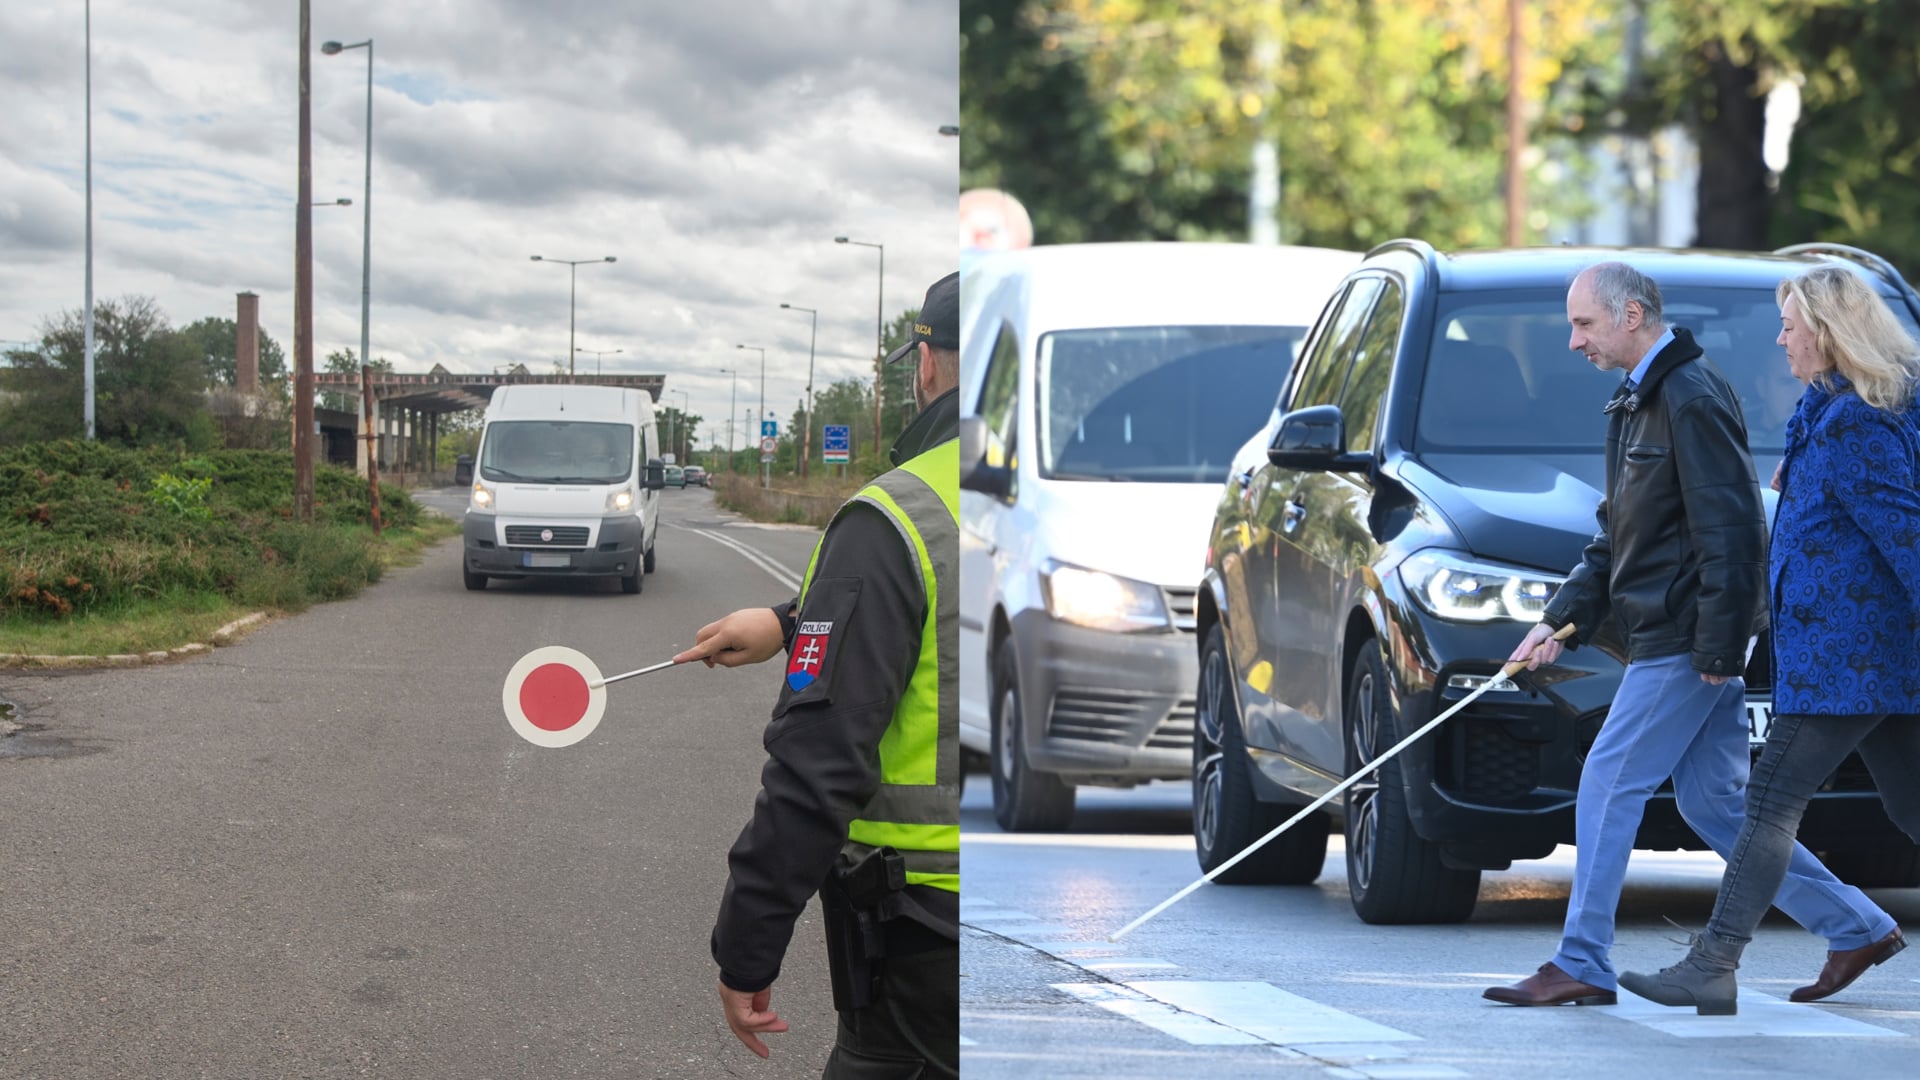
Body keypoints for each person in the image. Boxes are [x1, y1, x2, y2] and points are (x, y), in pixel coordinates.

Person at [1482, 261, 1896, 1009]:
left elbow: (1733, 528)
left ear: (1633, 315)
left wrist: (1719, 644)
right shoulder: (1635, 401)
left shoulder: (1690, 395)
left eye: (1584, 324)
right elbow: (1618, 541)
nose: (1573, 341)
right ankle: (1855, 924)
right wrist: (1555, 623)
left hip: (1686, 637)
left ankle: (1582, 960)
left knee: (1609, 779)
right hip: (1674, 634)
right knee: (1719, 805)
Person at [677, 271, 960, 1076]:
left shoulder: (902, 511)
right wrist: (792, 622)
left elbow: (818, 761)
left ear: (928, 365)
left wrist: (746, 950)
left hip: (932, 936)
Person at [1620, 266, 1920, 1014]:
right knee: (1915, 805)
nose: (1780, 338)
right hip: (1852, 655)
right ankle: (1819, 944)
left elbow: (1907, 536)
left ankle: (1712, 962)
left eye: (1789, 325)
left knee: (1767, 806)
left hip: (1852, 657)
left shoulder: (1858, 423)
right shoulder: (1830, 410)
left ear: (1826, 332)